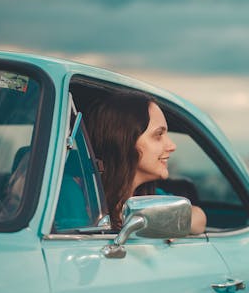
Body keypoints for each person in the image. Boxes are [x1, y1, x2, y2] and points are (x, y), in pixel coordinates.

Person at [84, 92, 206, 234]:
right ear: (124, 140)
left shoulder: (147, 196)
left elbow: (199, 217)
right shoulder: (74, 194)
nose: (172, 146)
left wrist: (165, 222)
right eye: (159, 135)